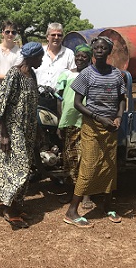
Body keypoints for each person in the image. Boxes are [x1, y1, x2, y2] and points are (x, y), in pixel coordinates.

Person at [0, 42, 44, 229]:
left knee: (24, 167)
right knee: (20, 167)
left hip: (28, 128)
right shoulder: (14, 74)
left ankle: (16, 205)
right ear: (32, 57)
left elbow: (33, 105)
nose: (41, 61)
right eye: (40, 57)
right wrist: (4, 134)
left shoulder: (32, 75)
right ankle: (8, 208)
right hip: (12, 128)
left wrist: (37, 129)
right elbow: (1, 104)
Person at [63, 36, 126, 228]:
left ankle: (107, 206)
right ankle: (72, 211)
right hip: (92, 127)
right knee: (89, 167)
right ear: (93, 51)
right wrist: (99, 118)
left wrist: (118, 118)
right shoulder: (86, 74)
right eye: (96, 47)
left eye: (103, 48)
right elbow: (77, 103)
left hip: (111, 128)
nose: (99, 50)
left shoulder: (117, 75)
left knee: (108, 167)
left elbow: (122, 99)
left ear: (109, 52)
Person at [55, 43, 93, 207]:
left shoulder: (92, 75)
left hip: (86, 122)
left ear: (89, 59)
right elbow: (59, 99)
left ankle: (86, 196)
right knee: (69, 159)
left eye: (84, 56)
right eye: (78, 56)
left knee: (86, 158)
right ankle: (72, 193)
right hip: (69, 122)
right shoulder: (65, 75)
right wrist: (60, 122)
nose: (80, 58)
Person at [34, 23, 76, 112]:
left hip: (58, 101)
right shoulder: (38, 52)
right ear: (47, 37)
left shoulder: (69, 54)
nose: (56, 37)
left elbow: (73, 77)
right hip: (37, 99)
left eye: (59, 35)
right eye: (53, 35)